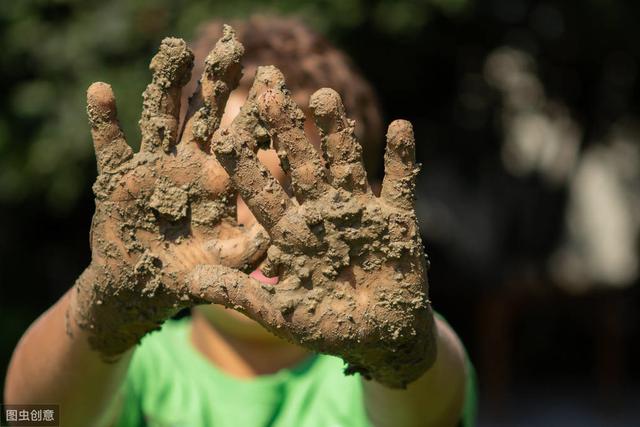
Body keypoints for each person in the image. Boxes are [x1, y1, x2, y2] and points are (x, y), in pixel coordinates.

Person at [4, 15, 476, 427]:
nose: (260, 219)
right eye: (229, 186)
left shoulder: (374, 368)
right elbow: (29, 415)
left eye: (294, 190)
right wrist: (105, 312)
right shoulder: (132, 366)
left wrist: (398, 355)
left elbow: (426, 410)